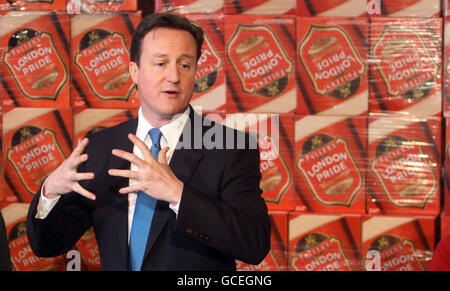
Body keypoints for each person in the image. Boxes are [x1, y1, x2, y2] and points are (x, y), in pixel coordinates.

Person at [26, 12, 271, 271]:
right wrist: (50, 191)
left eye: (185, 65)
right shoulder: (99, 147)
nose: (174, 76)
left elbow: (254, 244)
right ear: (134, 71)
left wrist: (177, 193)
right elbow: (48, 245)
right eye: (160, 63)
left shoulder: (229, 147)